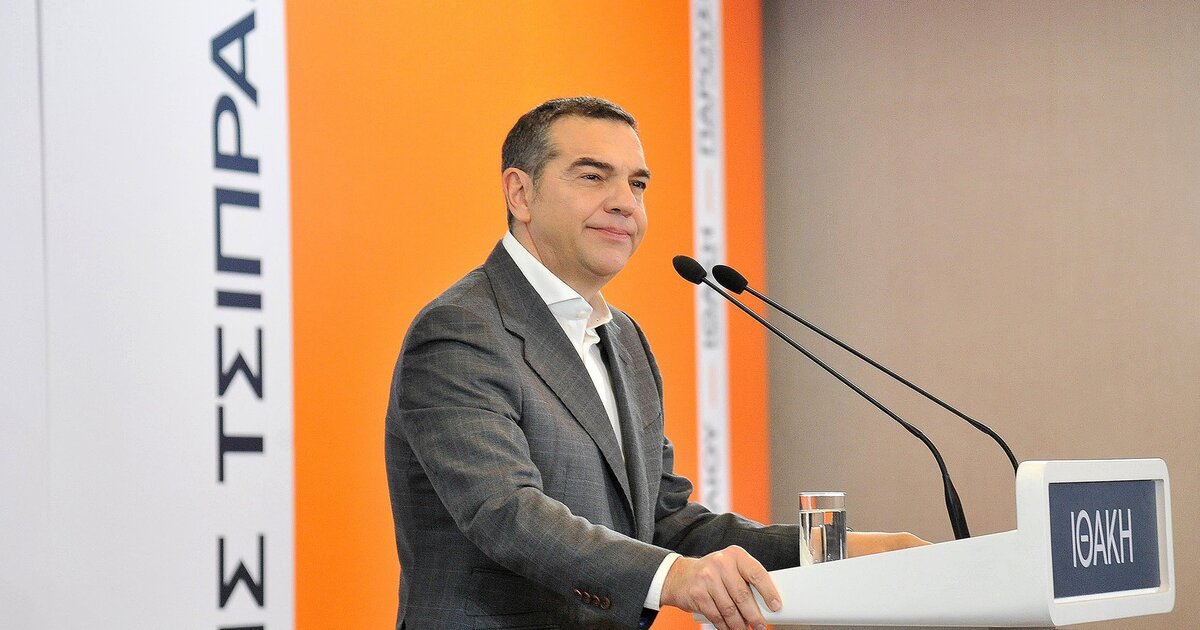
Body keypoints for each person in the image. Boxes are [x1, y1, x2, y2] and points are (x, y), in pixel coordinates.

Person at [385, 96, 923, 630]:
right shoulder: (462, 329)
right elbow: (505, 513)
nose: (625, 202)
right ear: (520, 193)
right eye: (593, 177)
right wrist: (675, 577)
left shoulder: (623, 338)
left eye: (637, 184)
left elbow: (665, 521)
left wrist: (838, 550)